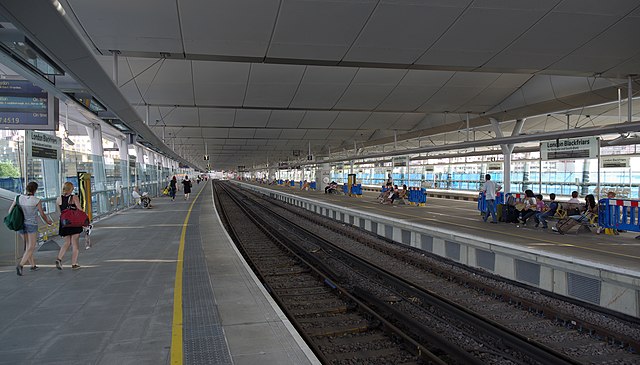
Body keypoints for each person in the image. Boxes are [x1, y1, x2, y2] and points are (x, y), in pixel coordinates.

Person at [11, 181, 53, 276]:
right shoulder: (36, 200)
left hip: (20, 224)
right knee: (31, 246)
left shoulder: (18, 198)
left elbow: (10, 211)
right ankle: (21, 265)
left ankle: (33, 265)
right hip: (31, 225)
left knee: (27, 246)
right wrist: (48, 222)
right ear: (35, 190)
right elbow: (42, 214)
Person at [55, 182, 84, 270]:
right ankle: (74, 264)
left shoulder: (58, 199)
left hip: (64, 223)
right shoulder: (74, 197)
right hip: (74, 222)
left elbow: (60, 213)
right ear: (70, 188)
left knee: (67, 242)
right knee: (75, 243)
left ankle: (59, 259)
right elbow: (80, 210)